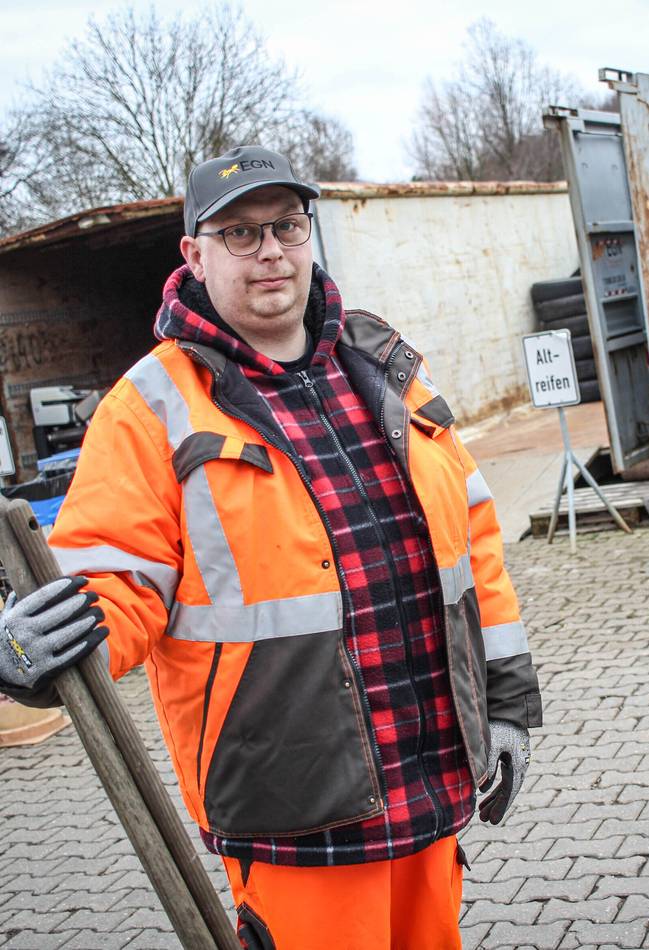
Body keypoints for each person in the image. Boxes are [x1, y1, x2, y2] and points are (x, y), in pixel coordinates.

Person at [0, 145, 542, 949]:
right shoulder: (149, 407)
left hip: (428, 771)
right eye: (239, 233)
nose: (269, 252)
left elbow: (474, 555)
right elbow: (117, 582)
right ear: (194, 253)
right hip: (294, 806)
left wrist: (506, 707)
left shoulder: (387, 366)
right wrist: (37, 649)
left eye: (286, 226)